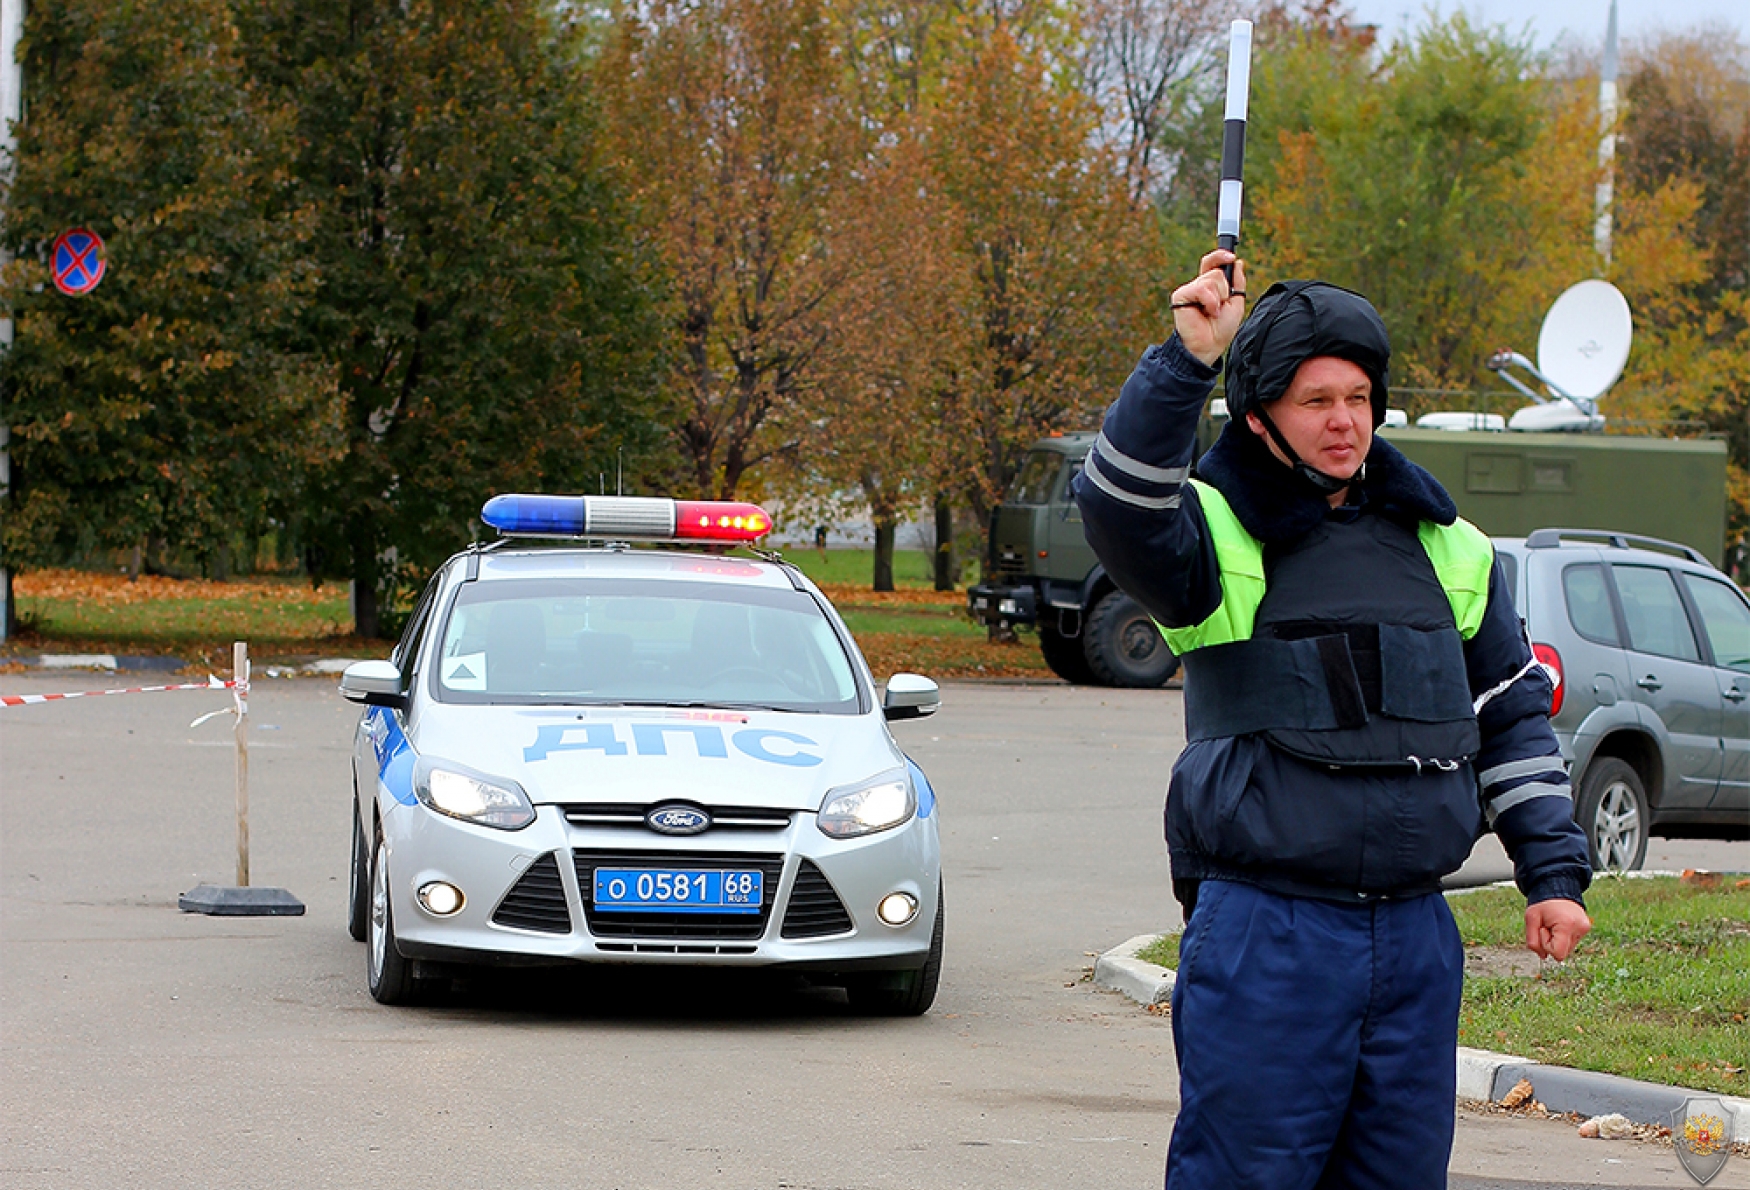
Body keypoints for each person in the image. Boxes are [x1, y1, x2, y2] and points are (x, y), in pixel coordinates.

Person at [1071, 250, 1594, 1190]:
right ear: (1262, 412)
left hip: (1414, 936)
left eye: (1358, 395)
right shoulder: (1214, 532)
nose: (1344, 420)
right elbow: (1115, 504)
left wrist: (1551, 874)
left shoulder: (1452, 549)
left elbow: (1512, 724)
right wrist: (1186, 361)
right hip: (1270, 931)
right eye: (1317, 400)